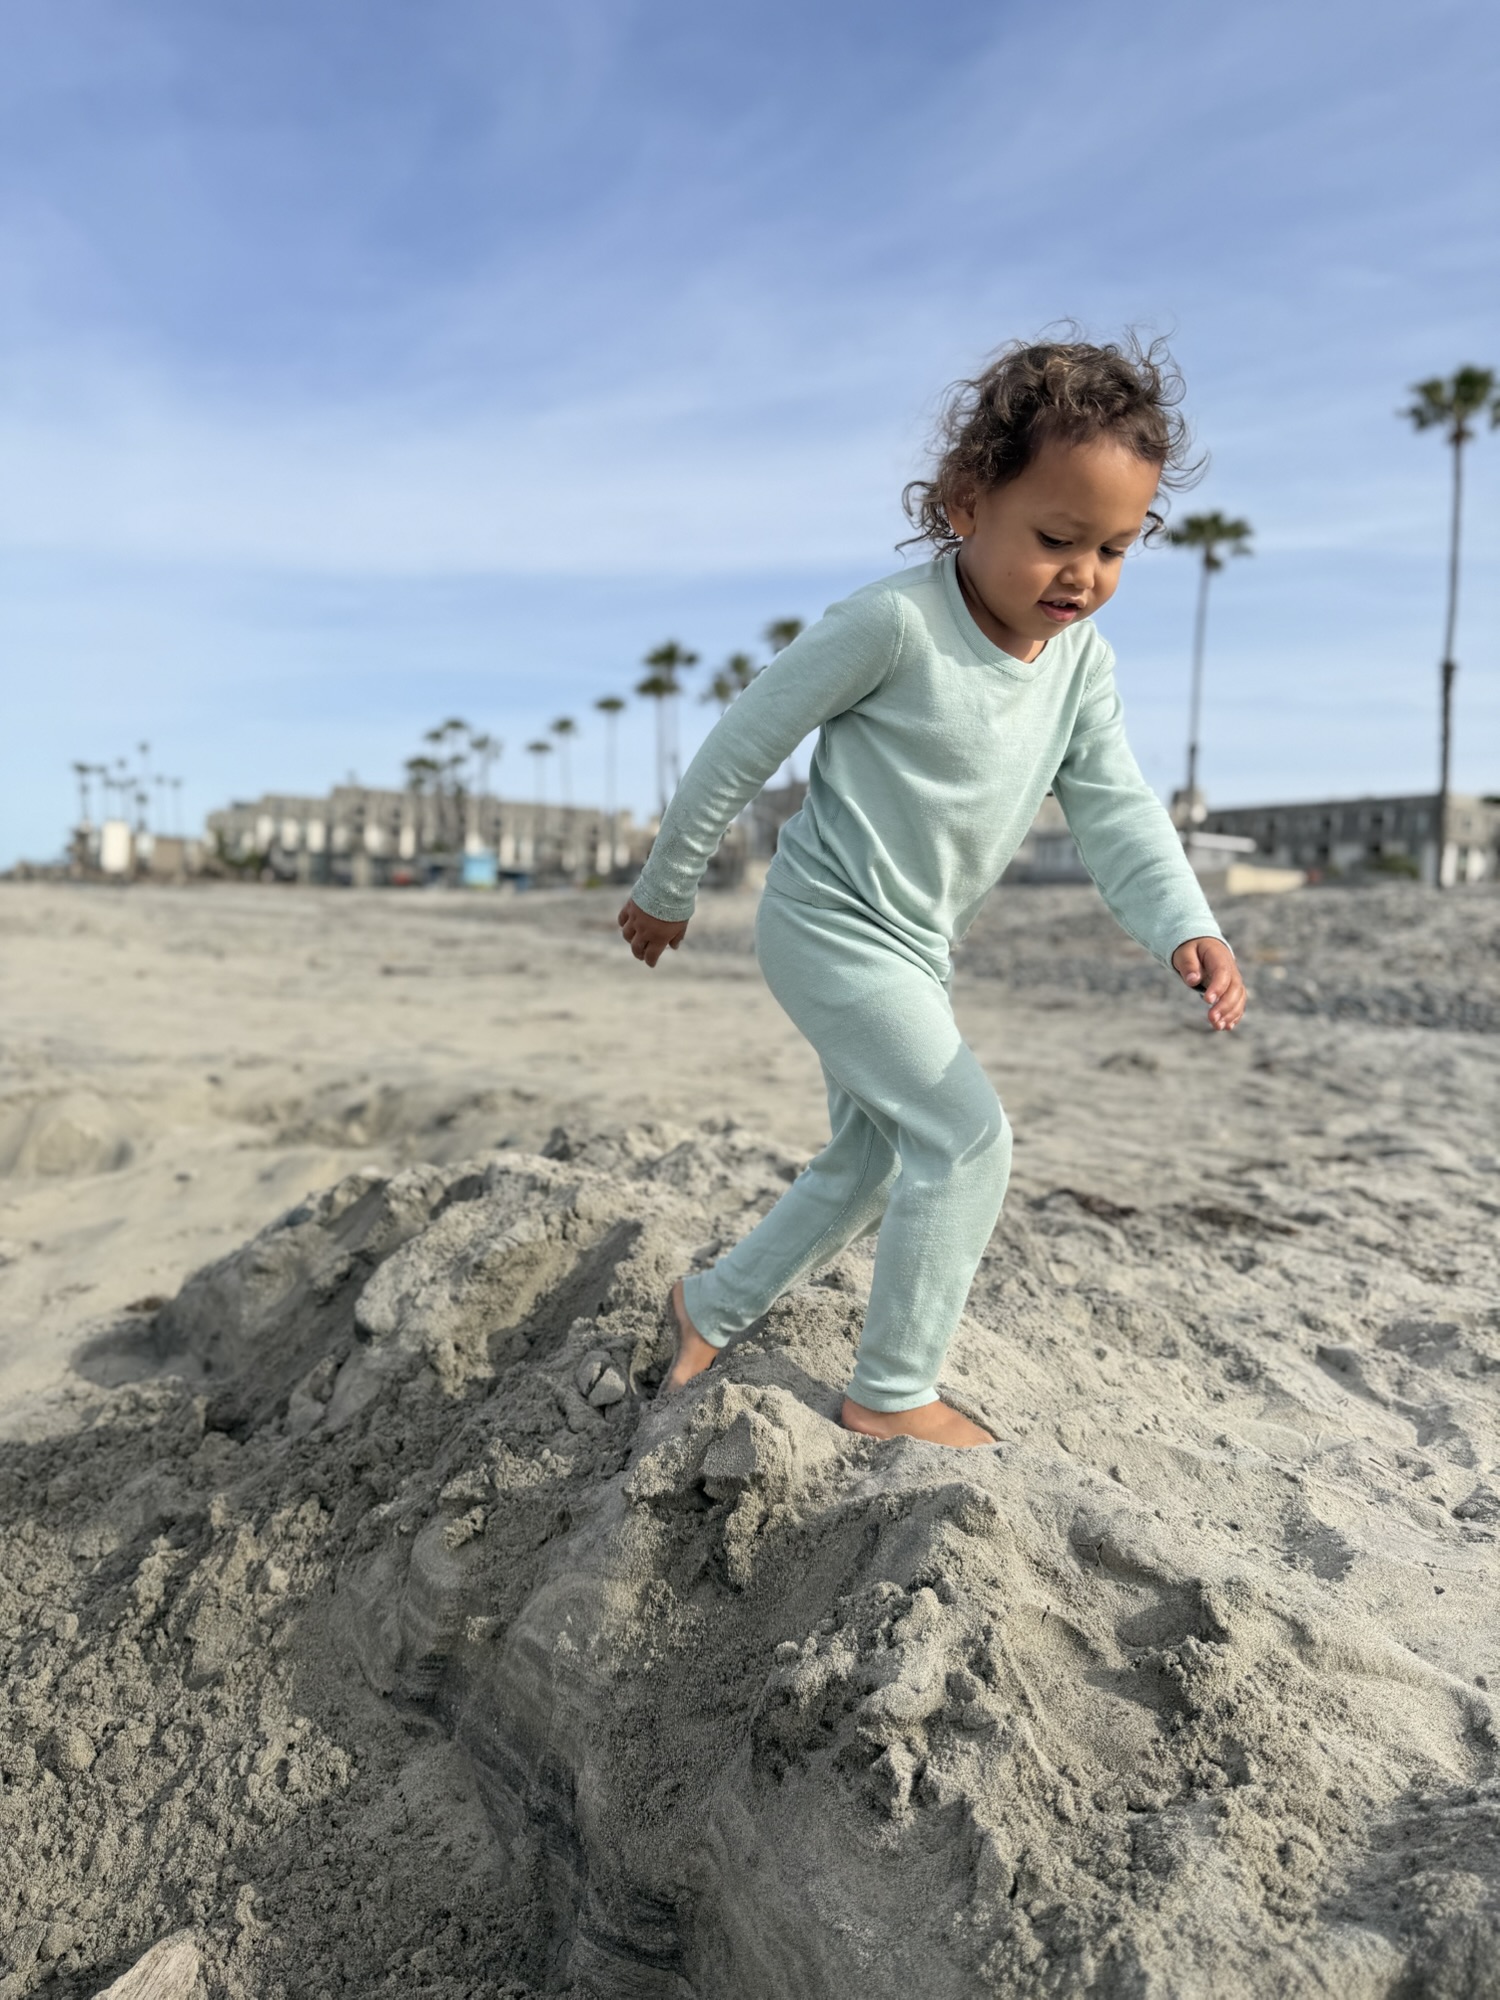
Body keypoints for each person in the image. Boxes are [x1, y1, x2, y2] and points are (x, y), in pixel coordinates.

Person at [618, 337, 1247, 1449]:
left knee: (870, 1162)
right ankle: (892, 1392)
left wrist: (1183, 920)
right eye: (1056, 538)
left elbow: (1116, 806)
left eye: (1114, 548)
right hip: (826, 925)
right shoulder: (893, 623)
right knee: (965, 1137)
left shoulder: (1080, 667)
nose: (1083, 575)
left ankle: (705, 1306)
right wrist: (669, 886)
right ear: (966, 502)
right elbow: (739, 746)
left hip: (917, 949)